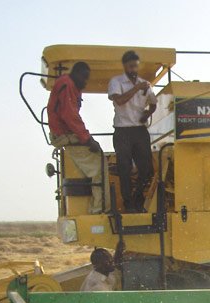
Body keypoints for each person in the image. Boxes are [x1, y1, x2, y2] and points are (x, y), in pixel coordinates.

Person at [47, 61, 104, 214]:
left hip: (63, 134)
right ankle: (99, 209)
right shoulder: (67, 85)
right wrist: (88, 139)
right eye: (84, 78)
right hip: (66, 135)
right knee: (100, 164)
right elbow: (70, 115)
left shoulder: (67, 84)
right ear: (76, 73)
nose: (85, 82)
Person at [107, 50, 157, 213]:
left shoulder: (145, 84)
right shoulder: (116, 82)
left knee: (147, 168)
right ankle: (128, 203)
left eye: (135, 66)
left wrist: (147, 113)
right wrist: (136, 88)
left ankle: (137, 197)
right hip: (123, 131)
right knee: (124, 168)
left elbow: (154, 103)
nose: (133, 69)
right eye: (130, 66)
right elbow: (120, 101)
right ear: (125, 66)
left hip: (140, 130)